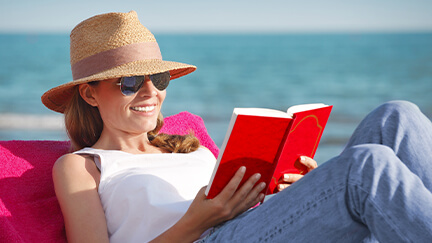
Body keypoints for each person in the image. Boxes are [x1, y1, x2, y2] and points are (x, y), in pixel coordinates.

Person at [42, 11, 432, 243]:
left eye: (158, 80)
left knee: (397, 116)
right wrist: (197, 221)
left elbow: (248, 209)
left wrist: (299, 189)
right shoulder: (84, 166)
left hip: (250, 229)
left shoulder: (188, 145)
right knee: (368, 165)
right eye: (129, 83)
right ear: (90, 95)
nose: (150, 92)